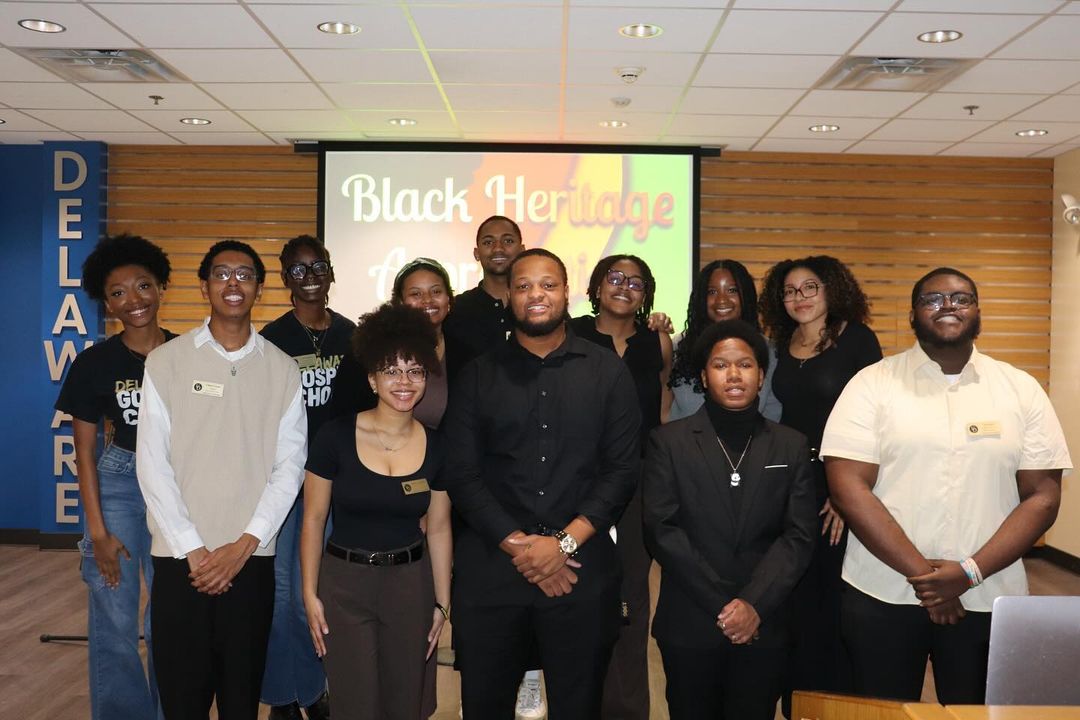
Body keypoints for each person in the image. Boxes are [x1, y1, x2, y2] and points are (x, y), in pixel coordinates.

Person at [822, 267, 1071, 704]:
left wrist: (968, 573)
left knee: (978, 714)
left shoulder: (1021, 390)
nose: (948, 306)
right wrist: (928, 578)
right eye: (932, 299)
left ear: (978, 313)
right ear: (913, 315)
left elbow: (1043, 497)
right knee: (883, 714)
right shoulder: (871, 385)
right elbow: (848, 488)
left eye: (961, 298)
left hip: (988, 595)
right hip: (882, 593)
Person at [443, 248, 641, 718]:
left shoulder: (606, 370)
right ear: (509, 296)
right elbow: (462, 473)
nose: (537, 295)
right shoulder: (477, 375)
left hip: (581, 571)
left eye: (548, 285)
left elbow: (621, 470)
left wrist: (563, 545)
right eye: (524, 285)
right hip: (493, 570)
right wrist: (520, 545)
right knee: (485, 706)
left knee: (579, 706)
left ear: (566, 293)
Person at [137, 240, 306, 720]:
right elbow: (151, 462)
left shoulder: (281, 368)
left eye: (245, 274)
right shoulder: (166, 362)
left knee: (241, 698)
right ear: (205, 284)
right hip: (179, 560)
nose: (233, 283)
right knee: (183, 699)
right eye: (222, 273)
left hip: (250, 559)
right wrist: (194, 548)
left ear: (260, 287)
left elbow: (289, 467)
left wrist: (245, 543)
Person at [643, 319, 817, 720]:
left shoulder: (790, 443)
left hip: (765, 622)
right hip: (690, 621)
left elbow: (799, 535)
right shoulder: (668, 442)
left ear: (761, 375)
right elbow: (662, 530)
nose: (734, 374)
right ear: (704, 377)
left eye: (746, 364)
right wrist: (726, 606)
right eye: (721, 365)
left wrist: (753, 604)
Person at [300, 302, 452, 720]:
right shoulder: (334, 437)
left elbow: (438, 528)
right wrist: (309, 594)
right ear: (371, 378)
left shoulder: (438, 445)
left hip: (410, 586)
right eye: (391, 370)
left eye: (415, 370)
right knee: (354, 703)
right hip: (345, 585)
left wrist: (442, 602)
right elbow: (313, 519)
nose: (404, 381)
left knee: (407, 701)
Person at [55, 234, 173, 720]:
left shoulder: (188, 354)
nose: (134, 300)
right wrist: (97, 532)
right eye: (118, 292)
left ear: (161, 286)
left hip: (177, 488)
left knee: (171, 616)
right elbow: (83, 454)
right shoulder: (94, 364)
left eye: (143, 285)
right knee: (115, 616)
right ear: (107, 303)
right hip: (120, 483)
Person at [759, 254, 882, 712]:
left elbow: (875, 420)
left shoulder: (856, 339)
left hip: (840, 483)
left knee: (832, 600)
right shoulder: (778, 343)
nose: (799, 298)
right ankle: (797, 702)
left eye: (810, 288)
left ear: (831, 290)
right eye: (790, 291)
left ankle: (835, 704)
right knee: (792, 594)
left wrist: (844, 491)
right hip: (790, 482)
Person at [569, 254, 671, 720]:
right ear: (595, 287)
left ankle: (628, 709)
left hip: (638, 487)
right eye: (614, 278)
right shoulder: (570, 333)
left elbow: (663, 411)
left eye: (635, 281)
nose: (624, 287)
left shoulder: (657, 343)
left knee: (631, 597)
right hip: (579, 485)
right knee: (578, 594)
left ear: (646, 293)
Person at [259, 235, 353, 720]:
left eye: (318, 266)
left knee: (318, 596)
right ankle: (285, 695)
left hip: (338, 485)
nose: (309, 276)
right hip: (286, 486)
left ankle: (313, 691)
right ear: (284, 279)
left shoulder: (354, 337)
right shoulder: (271, 341)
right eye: (297, 269)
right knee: (283, 598)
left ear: (332, 272)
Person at [329, 257, 455, 430]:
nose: (427, 300)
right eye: (415, 294)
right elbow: (343, 417)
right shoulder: (369, 350)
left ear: (449, 299)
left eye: (436, 292)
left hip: (439, 454)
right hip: (374, 451)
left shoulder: (464, 353)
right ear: (400, 302)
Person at [669, 259, 781, 422]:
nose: (722, 300)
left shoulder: (770, 351)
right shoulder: (677, 347)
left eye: (732, 290)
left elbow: (772, 415)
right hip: (684, 445)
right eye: (712, 292)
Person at [442, 215, 524, 376]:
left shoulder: (536, 306)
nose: (498, 248)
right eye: (488, 242)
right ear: (476, 253)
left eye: (508, 241)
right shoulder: (456, 309)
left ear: (522, 250)